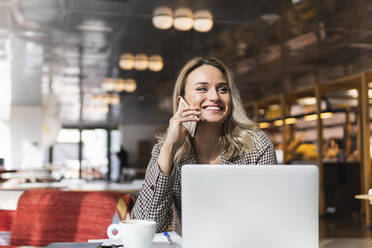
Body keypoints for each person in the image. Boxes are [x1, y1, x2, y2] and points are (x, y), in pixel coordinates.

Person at [131, 57, 277, 235]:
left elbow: (270, 215)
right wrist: (169, 147)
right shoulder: (165, 152)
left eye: (222, 89)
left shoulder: (256, 145)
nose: (215, 97)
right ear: (181, 102)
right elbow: (145, 225)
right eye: (202, 89)